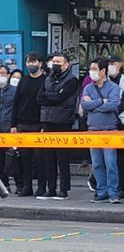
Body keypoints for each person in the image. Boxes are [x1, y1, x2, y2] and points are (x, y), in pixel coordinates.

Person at [36, 52, 78, 201]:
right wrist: (51, 96)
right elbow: (39, 97)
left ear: (66, 65)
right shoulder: (48, 78)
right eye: (54, 62)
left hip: (63, 122)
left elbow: (62, 97)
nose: (55, 65)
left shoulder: (72, 80)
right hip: (47, 121)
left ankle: (63, 189)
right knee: (49, 157)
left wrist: (49, 96)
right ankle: (51, 188)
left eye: (59, 62)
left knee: (62, 157)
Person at [81, 58, 121, 204]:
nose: (91, 72)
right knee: (97, 163)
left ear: (103, 71)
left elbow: (113, 105)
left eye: (94, 68)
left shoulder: (113, 87)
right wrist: (100, 101)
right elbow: (84, 105)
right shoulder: (88, 88)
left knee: (110, 162)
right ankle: (101, 190)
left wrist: (94, 105)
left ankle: (113, 192)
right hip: (93, 129)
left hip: (109, 129)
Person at [11, 53, 47, 197]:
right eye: (27, 61)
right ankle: (27, 187)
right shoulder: (23, 80)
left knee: (39, 159)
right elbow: (16, 102)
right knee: (24, 158)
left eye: (33, 61)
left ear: (40, 63)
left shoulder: (45, 80)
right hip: (22, 123)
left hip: (38, 124)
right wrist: (14, 124)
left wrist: (45, 125)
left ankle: (41, 186)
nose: (30, 64)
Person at [107, 55, 124, 199]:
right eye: (109, 63)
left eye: (114, 63)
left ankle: (121, 187)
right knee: (107, 157)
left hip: (123, 123)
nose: (111, 66)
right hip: (105, 123)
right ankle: (107, 185)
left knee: (120, 158)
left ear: (120, 64)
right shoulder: (104, 79)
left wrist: (109, 108)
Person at [0, 65, 17, 192]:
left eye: (3, 73)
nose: (1, 76)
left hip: (9, 128)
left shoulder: (14, 91)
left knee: (11, 158)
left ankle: (19, 184)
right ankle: (4, 184)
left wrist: (14, 125)